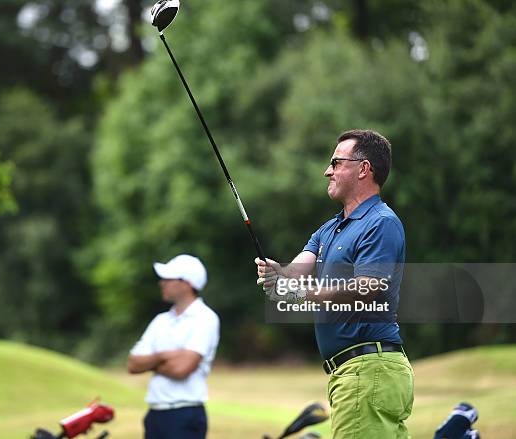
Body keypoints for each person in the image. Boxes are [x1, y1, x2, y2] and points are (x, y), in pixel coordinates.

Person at [256, 129, 413, 438]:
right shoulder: (330, 229)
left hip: (368, 371)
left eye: (337, 162)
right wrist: (278, 274)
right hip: (356, 374)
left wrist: (300, 293)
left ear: (364, 169)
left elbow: (369, 288)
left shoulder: (380, 222)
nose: (328, 171)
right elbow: (297, 270)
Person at [128, 254, 220, 439]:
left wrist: (152, 362)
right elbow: (133, 364)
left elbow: (181, 369)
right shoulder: (160, 321)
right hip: (155, 414)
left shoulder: (205, 318)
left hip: (184, 415)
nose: (162, 283)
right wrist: (165, 356)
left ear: (186, 283)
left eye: (168, 279)